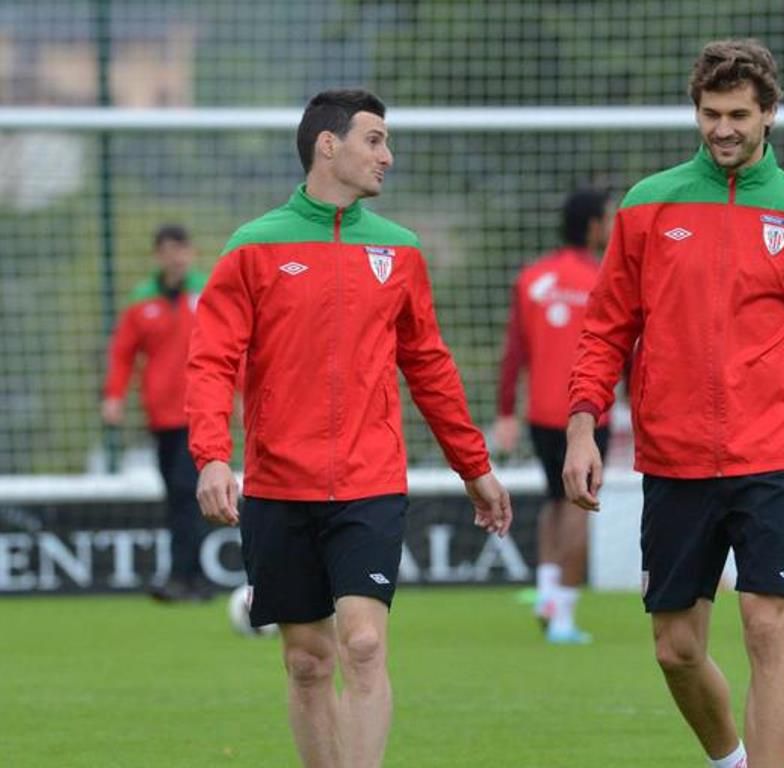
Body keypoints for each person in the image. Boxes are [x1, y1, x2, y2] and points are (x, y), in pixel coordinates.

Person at [185, 89, 511, 768]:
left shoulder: (400, 249)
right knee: (307, 661)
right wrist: (212, 456)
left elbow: (429, 367)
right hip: (278, 486)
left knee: (362, 645)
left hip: (369, 482)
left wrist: (474, 467)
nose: (387, 156)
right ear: (328, 145)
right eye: (375, 140)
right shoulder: (253, 246)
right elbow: (211, 360)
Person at [563, 39, 784, 768]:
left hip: (773, 457)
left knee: (767, 625)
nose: (722, 129)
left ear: (769, 114)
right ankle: (730, 760)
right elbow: (605, 329)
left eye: (738, 115)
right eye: (710, 113)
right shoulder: (648, 205)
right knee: (676, 648)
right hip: (674, 459)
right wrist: (582, 429)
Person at [494, 187, 614, 644]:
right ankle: (562, 615)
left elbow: (514, 351)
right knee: (580, 506)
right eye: (608, 218)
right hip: (588, 414)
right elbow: (625, 351)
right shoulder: (603, 278)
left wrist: (506, 411)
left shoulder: (533, 277)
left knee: (553, 500)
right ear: (593, 226)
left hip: (540, 412)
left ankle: (545, 593)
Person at [102, 224, 211, 602]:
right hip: (161, 415)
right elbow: (122, 353)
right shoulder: (142, 300)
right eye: (167, 250)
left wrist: (242, 395)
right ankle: (195, 579)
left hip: (201, 411)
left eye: (180, 249)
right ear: (157, 256)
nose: (174, 257)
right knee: (179, 494)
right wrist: (114, 396)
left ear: (191, 253)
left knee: (185, 490)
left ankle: (182, 577)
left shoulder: (207, 292)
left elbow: (234, 347)